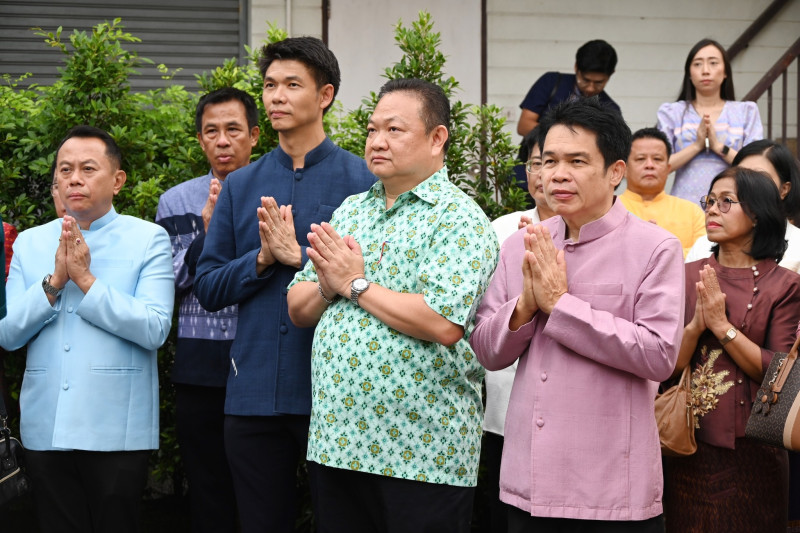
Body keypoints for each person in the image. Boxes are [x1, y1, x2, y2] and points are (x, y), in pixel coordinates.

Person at [287, 78, 499, 533]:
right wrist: (330, 286)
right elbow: (298, 306)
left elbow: (442, 322)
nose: (377, 141)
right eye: (371, 130)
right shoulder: (351, 210)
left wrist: (354, 283)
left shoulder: (459, 218)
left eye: (394, 130)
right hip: (337, 444)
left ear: (437, 138)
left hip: (422, 453)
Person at [470, 97, 685, 531]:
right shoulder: (520, 246)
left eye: (577, 161)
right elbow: (487, 352)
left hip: (612, 489)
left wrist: (561, 306)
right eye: (549, 161)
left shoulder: (655, 248)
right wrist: (526, 306)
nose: (557, 174)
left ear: (615, 172)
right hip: (529, 481)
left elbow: (659, 355)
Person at [193, 37, 375, 533]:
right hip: (252, 389)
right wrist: (262, 258)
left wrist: (302, 260)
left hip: (334, 392)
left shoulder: (363, 182)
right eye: (270, 85)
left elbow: (377, 284)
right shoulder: (240, 185)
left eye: (292, 84)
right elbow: (207, 287)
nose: (276, 96)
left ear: (325, 95)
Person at [0, 125, 174, 533]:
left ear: (117, 180)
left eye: (87, 168)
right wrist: (54, 283)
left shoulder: (148, 238)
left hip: (117, 427)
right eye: (65, 170)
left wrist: (85, 281)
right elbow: (8, 335)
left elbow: (154, 328)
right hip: (46, 425)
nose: (74, 179)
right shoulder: (30, 242)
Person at [663, 166, 800, 532]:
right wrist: (695, 327)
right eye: (709, 201)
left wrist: (722, 327)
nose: (712, 209)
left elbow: (780, 373)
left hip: (756, 449)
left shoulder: (784, 285)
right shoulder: (685, 274)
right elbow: (666, 366)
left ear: (756, 214)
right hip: (686, 441)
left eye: (726, 201)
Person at [155, 87, 260, 533]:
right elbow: (171, 280)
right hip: (198, 362)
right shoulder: (175, 201)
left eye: (233, 129)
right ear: (200, 140)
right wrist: (207, 233)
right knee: (207, 488)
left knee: (260, 489)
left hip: (257, 358)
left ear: (254, 135)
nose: (222, 141)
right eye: (211, 131)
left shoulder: (274, 191)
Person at [481, 126, 555, 532]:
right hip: (504, 402)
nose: (543, 174)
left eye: (553, 162)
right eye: (536, 163)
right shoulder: (499, 230)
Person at [657, 38, 763, 205]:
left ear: (726, 72)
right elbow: (659, 166)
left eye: (713, 63)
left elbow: (756, 167)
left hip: (732, 205)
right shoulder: (672, 113)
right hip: (683, 205)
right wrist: (696, 146)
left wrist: (718, 147)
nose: (705, 71)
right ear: (689, 73)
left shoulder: (746, 112)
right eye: (698, 64)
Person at [686, 139, 800, 273]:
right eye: (739, 175)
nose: (746, 185)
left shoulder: (796, 248)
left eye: (759, 178)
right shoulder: (702, 247)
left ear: (784, 189)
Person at [619, 127, 705, 257]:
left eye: (657, 159)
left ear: (668, 169)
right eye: (640, 159)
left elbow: (704, 254)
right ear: (624, 169)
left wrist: (659, 252)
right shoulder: (609, 209)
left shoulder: (692, 212)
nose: (649, 165)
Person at [517, 39, 620, 136]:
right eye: (585, 80)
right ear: (576, 67)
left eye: (599, 83)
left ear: (611, 74)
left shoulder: (611, 110)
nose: (590, 88)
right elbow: (524, 126)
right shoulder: (551, 82)